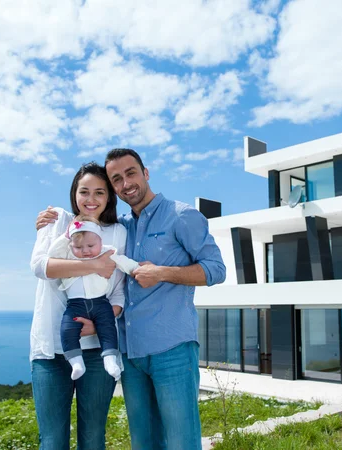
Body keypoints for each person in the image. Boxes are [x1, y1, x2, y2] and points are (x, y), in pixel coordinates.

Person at [37, 149, 226, 450]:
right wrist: (54, 217)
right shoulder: (121, 228)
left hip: (172, 349)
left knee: (181, 441)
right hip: (131, 355)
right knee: (144, 443)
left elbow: (216, 270)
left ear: (145, 172)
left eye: (131, 173)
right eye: (116, 179)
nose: (126, 183)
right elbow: (83, 229)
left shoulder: (182, 215)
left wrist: (163, 272)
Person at [30, 162, 126, 450]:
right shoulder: (58, 220)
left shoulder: (118, 233)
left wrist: (100, 324)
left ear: (109, 197)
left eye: (100, 192)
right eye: (84, 191)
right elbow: (40, 266)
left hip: (97, 350)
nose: (91, 199)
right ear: (74, 193)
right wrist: (93, 265)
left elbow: (119, 292)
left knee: (93, 437)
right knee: (53, 440)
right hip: (49, 349)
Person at [48, 215, 139, 381]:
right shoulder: (68, 256)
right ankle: (76, 363)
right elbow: (51, 253)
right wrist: (67, 234)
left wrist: (137, 269)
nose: (85, 250)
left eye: (91, 245)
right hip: (75, 305)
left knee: (108, 328)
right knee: (67, 330)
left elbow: (123, 262)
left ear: (100, 241)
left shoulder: (107, 252)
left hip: (101, 302)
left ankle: (110, 360)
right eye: (79, 247)